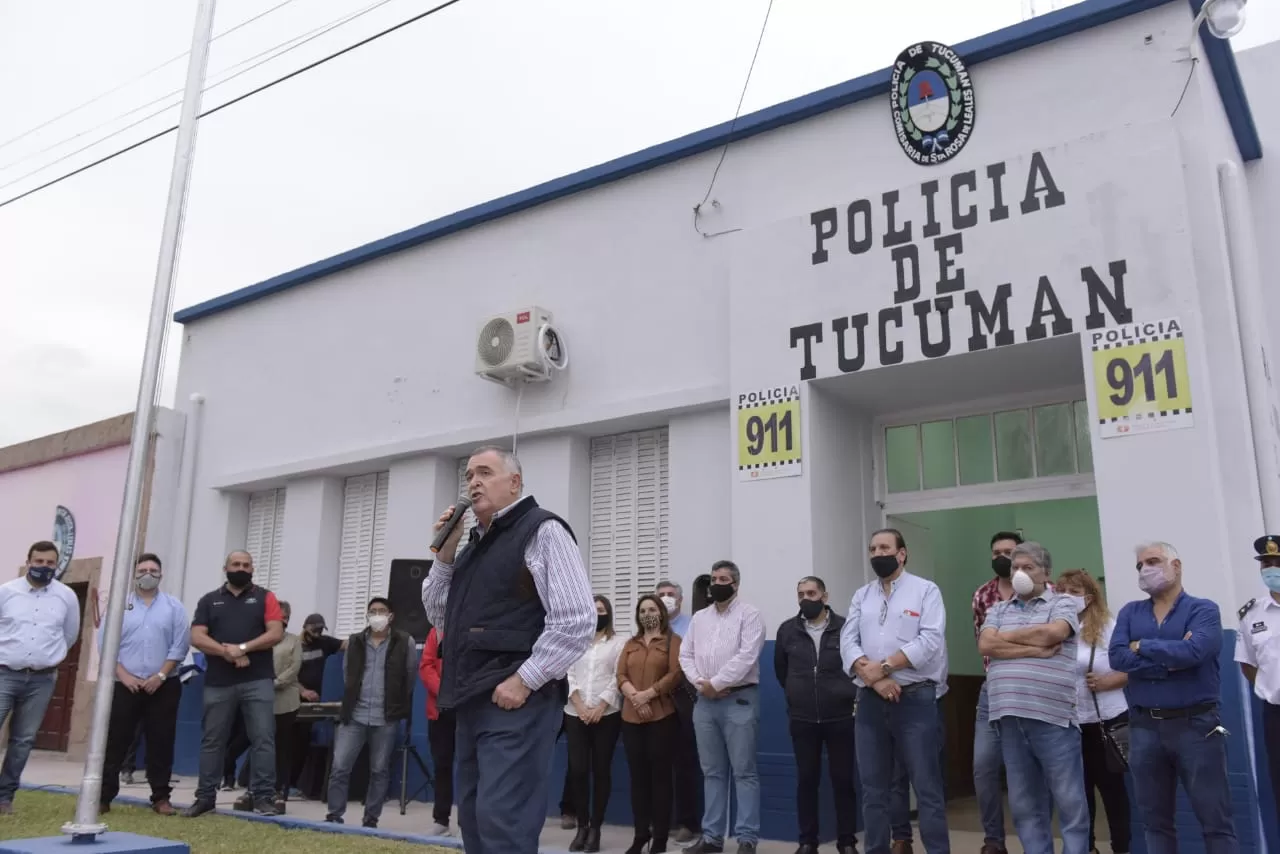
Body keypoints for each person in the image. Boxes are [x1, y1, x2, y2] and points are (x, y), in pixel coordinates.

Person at [421, 445, 596, 854]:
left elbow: (576, 619)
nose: (473, 482)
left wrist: (524, 680)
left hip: (517, 702)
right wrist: (445, 558)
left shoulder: (542, 530)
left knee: (505, 820)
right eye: (468, 476)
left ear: (514, 483)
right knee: (475, 820)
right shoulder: (470, 550)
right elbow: (439, 617)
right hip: (470, 699)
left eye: (485, 472)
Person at [1109, 541, 1237, 853]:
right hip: (1143, 728)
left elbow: (1195, 651)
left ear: (1176, 566)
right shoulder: (1129, 611)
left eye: (1152, 561)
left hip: (1197, 726)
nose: (1145, 570)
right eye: (1140, 565)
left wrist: (1142, 646)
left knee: (1215, 821)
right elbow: (1117, 658)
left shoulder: (1203, 609)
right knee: (1155, 822)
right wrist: (1170, 662)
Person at [841, 528, 949, 854]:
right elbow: (847, 641)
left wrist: (885, 666)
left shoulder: (925, 591)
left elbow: (929, 641)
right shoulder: (862, 595)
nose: (877, 553)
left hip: (916, 700)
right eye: (872, 548)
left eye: (884, 547)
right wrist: (874, 679)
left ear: (901, 553)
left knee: (927, 788)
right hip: (871, 702)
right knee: (874, 790)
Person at [978, 542, 1087, 854]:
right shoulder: (997, 609)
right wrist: (1031, 647)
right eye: (1015, 568)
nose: (1019, 573)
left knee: (1069, 801)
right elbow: (986, 645)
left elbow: (1053, 634)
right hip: (1009, 719)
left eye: (1028, 567)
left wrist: (1005, 637)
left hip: (1053, 719)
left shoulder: (1063, 603)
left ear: (1046, 573)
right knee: (1024, 805)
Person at [184, 550, 285, 817]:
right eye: (236, 564)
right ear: (225, 567)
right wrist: (226, 652)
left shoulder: (266, 597)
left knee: (263, 739)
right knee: (212, 741)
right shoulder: (209, 600)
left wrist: (243, 648)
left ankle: (264, 797)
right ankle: (205, 797)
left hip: (258, 680)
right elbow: (196, 636)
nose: (241, 568)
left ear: (253, 569)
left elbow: (276, 632)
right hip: (219, 682)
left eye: (246, 565)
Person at [679, 560, 766, 854]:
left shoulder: (750, 615)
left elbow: (747, 656)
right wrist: (702, 682)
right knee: (712, 772)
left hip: (739, 700)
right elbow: (685, 655)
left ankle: (746, 839)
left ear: (735, 584)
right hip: (704, 701)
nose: (717, 583)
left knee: (744, 772)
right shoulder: (699, 618)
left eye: (724, 578)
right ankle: (712, 838)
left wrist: (716, 682)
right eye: (714, 578)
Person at [98, 553, 189, 815]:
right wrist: (124, 675)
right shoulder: (119, 606)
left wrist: (160, 676)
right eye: (142, 569)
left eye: (153, 569)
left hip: (163, 685)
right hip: (124, 684)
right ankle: (104, 797)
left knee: (161, 741)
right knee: (116, 741)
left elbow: (180, 645)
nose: (147, 574)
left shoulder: (173, 607)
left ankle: (160, 797)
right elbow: (106, 644)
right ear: (134, 574)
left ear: (160, 574)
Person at [775, 576, 857, 854]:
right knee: (806, 780)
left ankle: (847, 842)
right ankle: (807, 842)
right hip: (803, 718)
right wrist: (796, 696)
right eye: (801, 594)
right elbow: (781, 672)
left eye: (812, 593)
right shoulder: (787, 630)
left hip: (841, 717)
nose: (806, 599)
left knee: (843, 780)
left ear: (825, 595)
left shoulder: (845, 627)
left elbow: (856, 666)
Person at [0, 541, 82, 815]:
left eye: (50, 563)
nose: (44, 567)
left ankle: (4, 797)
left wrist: (47, 657)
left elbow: (69, 636)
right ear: (28, 561)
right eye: (39, 561)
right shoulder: (7, 592)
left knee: (23, 740)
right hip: (5, 674)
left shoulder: (67, 596)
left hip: (42, 679)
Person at [1056, 568, 1131, 854]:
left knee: (1113, 793)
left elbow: (1131, 669)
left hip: (1105, 722)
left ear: (1089, 597)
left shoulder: (1107, 627)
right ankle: (1085, 849)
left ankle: (1122, 848)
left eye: (1074, 593)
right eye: (1061, 591)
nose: (1066, 597)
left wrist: (1108, 680)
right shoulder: (1056, 628)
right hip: (1069, 724)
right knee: (1077, 795)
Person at [325, 597, 416, 828]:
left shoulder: (405, 642)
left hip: (385, 718)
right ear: (367, 615)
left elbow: (410, 678)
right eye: (373, 611)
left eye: (382, 611)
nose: (377, 615)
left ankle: (371, 819)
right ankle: (334, 815)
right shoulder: (355, 641)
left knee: (379, 770)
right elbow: (348, 675)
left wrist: (396, 704)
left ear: (391, 616)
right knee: (340, 766)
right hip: (354, 715)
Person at [967, 531, 1026, 854]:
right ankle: (993, 840)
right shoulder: (982, 595)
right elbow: (983, 645)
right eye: (996, 552)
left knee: (1028, 768)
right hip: (993, 689)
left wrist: (1004, 643)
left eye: (1009, 550)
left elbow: (1051, 642)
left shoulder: (1045, 591)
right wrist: (1025, 643)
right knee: (983, 766)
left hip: (1032, 690)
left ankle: (1035, 836)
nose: (1002, 556)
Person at [618, 593, 684, 854]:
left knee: (660, 779)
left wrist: (649, 694)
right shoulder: (630, 643)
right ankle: (640, 835)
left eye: (652, 609)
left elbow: (675, 673)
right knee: (638, 780)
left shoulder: (671, 641)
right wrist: (634, 696)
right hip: (631, 717)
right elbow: (620, 674)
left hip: (661, 717)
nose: (647, 614)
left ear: (661, 613)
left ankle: (659, 838)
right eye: (643, 610)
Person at [564, 595, 627, 853]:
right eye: (593, 610)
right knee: (578, 770)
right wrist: (579, 705)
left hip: (607, 715)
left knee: (601, 771)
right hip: (574, 713)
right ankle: (582, 826)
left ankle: (596, 829)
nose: (597, 614)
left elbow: (618, 676)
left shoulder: (619, 643)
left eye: (601, 610)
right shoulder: (573, 641)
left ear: (608, 614)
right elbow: (566, 672)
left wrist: (601, 705)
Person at [232, 600, 301, 813]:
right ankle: (254, 790)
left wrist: (273, 683)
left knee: (281, 748)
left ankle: (278, 790)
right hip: (259, 703)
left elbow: (294, 668)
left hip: (285, 703)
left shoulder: (294, 641)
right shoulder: (259, 641)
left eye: (282, 616)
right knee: (259, 746)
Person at [1236, 534, 1280, 827]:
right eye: (1266, 563)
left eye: (1277, 562)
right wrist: (1268, 685)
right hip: (1275, 713)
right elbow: (1247, 664)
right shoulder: (1252, 614)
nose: (1271, 568)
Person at [656, 579, 700, 843]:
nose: (665, 598)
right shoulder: (648, 627)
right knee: (656, 764)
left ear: (680, 600)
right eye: (660, 594)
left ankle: (687, 821)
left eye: (670, 594)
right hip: (654, 701)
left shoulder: (692, 626)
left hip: (684, 699)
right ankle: (659, 820)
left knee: (685, 763)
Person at [289, 612, 345, 795]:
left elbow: (346, 644)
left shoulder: (324, 643)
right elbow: (286, 674)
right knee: (286, 743)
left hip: (311, 705)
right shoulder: (293, 646)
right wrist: (302, 691)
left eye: (321, 630)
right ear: (306, 627)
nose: (318, 633)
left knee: (302, 743)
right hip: (290, 701)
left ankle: (292, 784)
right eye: (315, 630)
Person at [419, 624, 455, 836]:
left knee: (474, 767)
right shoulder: (438, 631)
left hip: (469, 710)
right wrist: (445, 692)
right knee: (442, 766)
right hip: (440, 711)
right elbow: (426, 666)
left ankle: (471, 822)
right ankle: (441, 820)